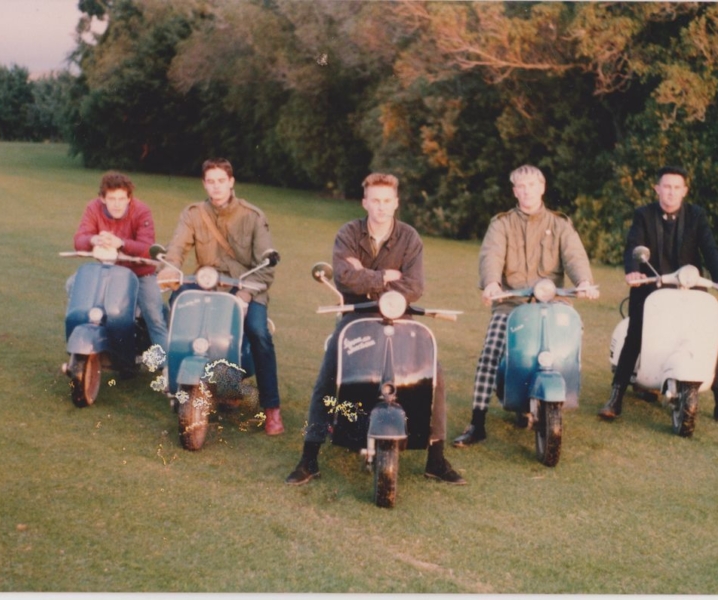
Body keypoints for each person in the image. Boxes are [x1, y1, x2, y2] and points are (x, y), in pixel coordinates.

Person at [285, 172, 465, 485]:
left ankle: (436, 458)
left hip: (401, 315)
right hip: (357, 314)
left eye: (387, 201)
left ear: (396, 203)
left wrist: (366, 275)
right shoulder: (348, 233)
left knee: (433, 374)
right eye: (375, 201)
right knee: (329, 373)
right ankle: (309, 456)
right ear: (365, 202)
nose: (381, 207)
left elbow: (414, 286)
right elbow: (343, 277)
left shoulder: (410, 238)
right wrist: (384, 277)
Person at [453, 164, 598, 447]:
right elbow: (491, 255)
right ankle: (477, 422)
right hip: (512, 302)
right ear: (514, 191)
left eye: (532, 185)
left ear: (542, 188)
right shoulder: (502, 223)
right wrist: (493, 283)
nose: (526, 190)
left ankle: (556, 394)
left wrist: (584, 282)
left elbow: (574, 255)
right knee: (491, 351)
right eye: (520, 186)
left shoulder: (559, 224)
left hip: (554, 300)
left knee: (572, 334)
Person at [598, 165, 718, 425]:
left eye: (676, 188)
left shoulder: (696, 216)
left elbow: (709, 249)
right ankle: (616, 395)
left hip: (687, 289)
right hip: (650, 287)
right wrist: (634, 272)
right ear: (657, 188)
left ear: (684, 191)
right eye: (666, 187)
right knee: (636, 332)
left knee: (708, 336)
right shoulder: (643, 215)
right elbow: (634, 244)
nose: (671, 192)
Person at [158, 158, 284, 435]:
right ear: (204, 184)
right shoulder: (193, 213)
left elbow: (265, 267)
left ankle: (272, 407)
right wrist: (169, 268)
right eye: (210, 181)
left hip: (247, 288)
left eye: (221, 181)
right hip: (208, 284)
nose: (216, 187)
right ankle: (179, 382)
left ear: (231, 182)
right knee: (177, 306)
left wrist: (245, 294)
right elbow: (177, 245)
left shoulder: (252, 216)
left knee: (257, 332)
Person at [71, 171, 169, 360]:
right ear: (102, 198)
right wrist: (94, 238)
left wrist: (121, 243)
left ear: (129, 198)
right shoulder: (93, 208)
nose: (117, 204)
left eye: (122, 199)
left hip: (141, 273)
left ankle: (167, 368)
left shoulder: (141, 211)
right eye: (112, 198)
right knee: (73, 286)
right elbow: (79, 239)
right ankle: (98, 345)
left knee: (154, 316)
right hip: (107, 271)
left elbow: (147, 248)